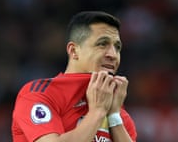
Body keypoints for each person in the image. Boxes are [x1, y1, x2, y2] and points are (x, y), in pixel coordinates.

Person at [12, 11, 137, 142]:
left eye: (117, 47)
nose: (113, 54)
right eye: (102, 44)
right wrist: (97, 112)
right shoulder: (40, 94)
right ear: (73, 51)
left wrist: (114, 117)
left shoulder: (118, 113)